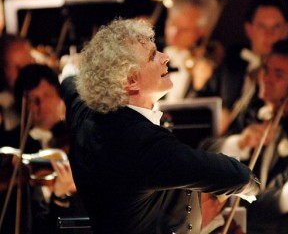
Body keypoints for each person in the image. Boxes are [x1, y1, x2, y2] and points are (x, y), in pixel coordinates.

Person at [60, 18, 260, 234]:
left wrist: (71, 68)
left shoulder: (84, 112)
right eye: (152, 56)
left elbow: (69, 83)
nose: (165, 58)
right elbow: (236, 176)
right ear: (130, 81)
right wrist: (251, 185)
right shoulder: (141, 144)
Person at [200, 40, 288, 233]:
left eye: (278, 74)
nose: (266, 78)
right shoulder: (251, 112)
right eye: (265, 69)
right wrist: (239, 142)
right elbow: (204, 149)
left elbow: (264, 201)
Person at [0, 64, 86, 234]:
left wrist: (65, 193)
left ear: (59, 95)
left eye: (47, 95)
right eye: (33, 99)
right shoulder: (13, 143)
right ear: (23, 105)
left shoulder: (77, 136)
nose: (41, 104)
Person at [219, 0, 288, 134]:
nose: (270, 34)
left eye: (276, 27)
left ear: (285, 31)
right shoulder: (232, 61)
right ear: (249, 30)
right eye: (262, 27)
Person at [158, 0, 223, 101]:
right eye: (172, 24)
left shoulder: (212, 63)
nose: (174, 33)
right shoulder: (149, 52)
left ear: (203, 31)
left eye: (185, 29)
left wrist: (200, 87)